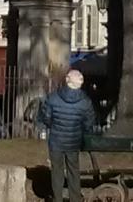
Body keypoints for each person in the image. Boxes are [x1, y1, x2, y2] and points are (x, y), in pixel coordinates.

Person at [36, 68, 97, 202]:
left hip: (56, 141)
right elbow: (89, 122)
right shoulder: (85, 101)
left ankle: (57, 198)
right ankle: (75, 198)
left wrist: (53, 126)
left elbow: (46, 117)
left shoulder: (53, 97)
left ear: (67, 80)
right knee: (73, 171)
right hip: (73, 141)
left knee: (57, 171)